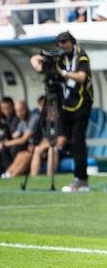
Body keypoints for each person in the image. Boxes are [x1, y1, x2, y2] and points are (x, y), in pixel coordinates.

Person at [31, 32, 94, 192]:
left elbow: (81, 77)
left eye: (67, 47)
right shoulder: (58, 54)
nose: (65, 50)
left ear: (72, 43)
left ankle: (81, 178)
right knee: (71, 140)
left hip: (81, 103)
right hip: (65, 104)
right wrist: (40, 66)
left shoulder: (81, 56)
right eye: (62, 47)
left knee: (77, 140)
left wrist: (62, 72)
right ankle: (78, 177)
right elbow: (35, 58)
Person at [1, 101, 40, 178]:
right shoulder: (22, 121)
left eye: (22, 110)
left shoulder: (35, 118)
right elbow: (14, 135)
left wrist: (4, 144)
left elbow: (23, 139)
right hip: (30, 147)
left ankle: (12, 175)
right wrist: (0, 142)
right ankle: (7, 173)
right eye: (17, 111)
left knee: (26, 155)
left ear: (27, 108)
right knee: (20, 154)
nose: (20, 113)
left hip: (38, 146)